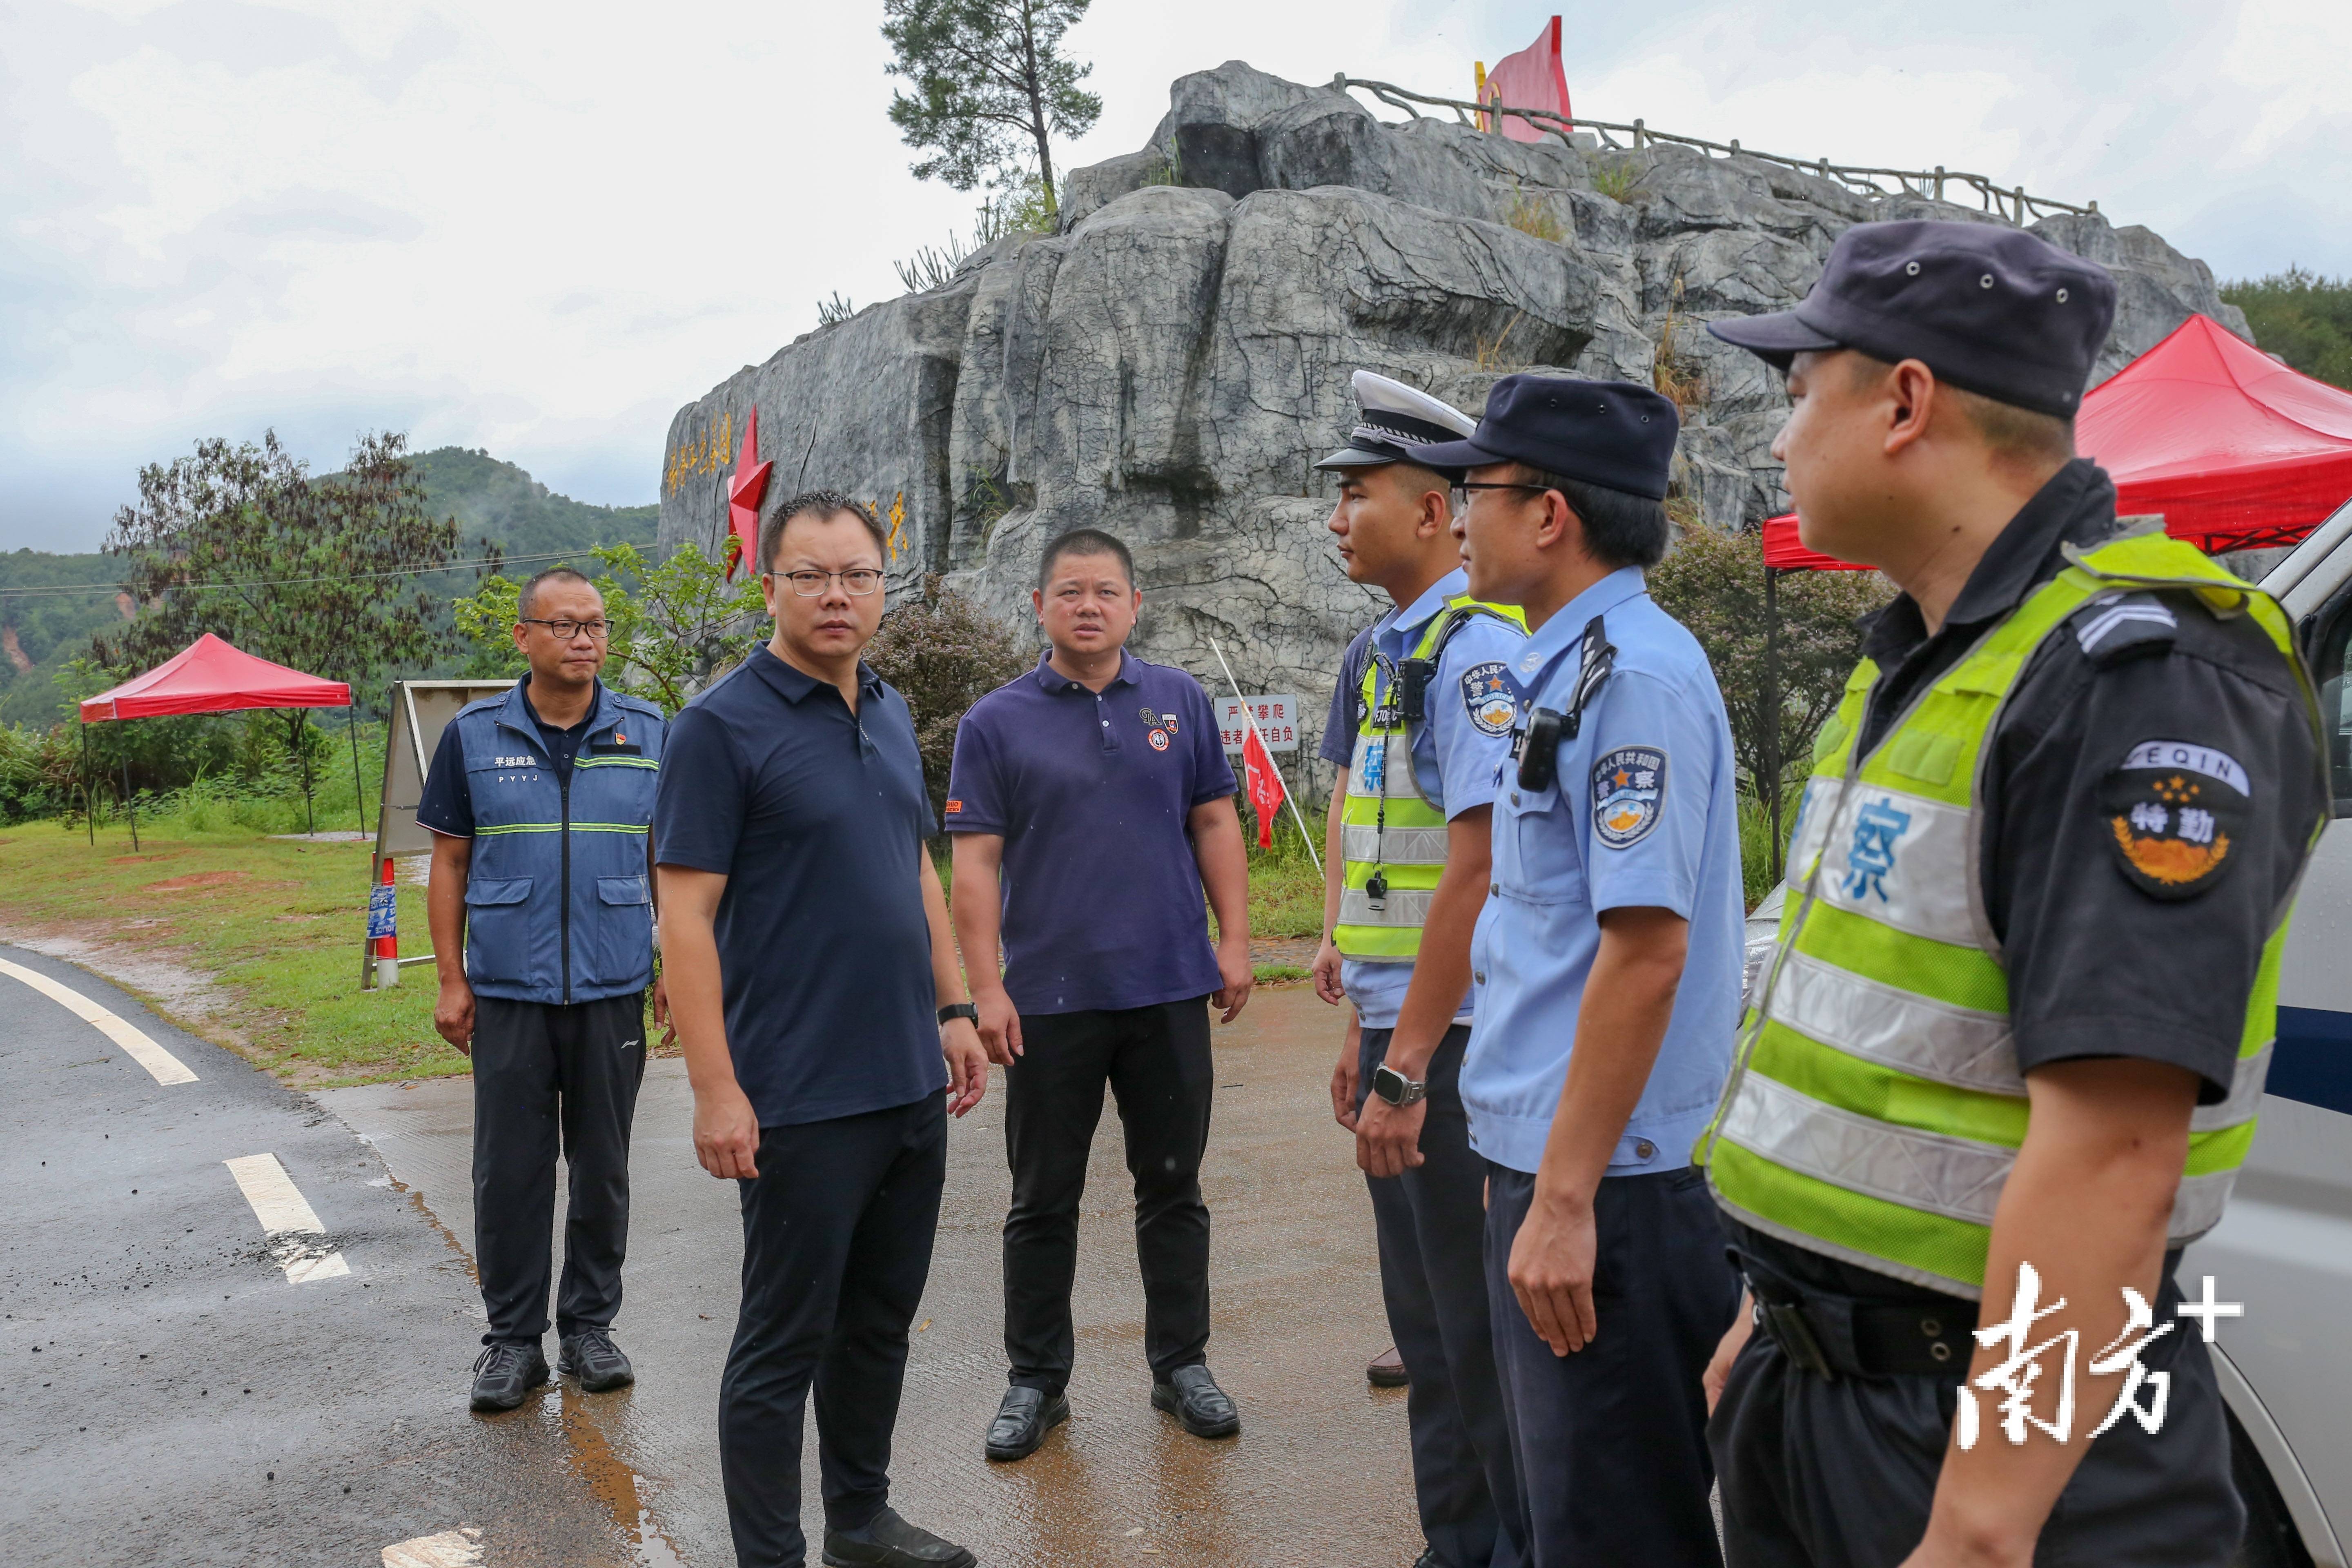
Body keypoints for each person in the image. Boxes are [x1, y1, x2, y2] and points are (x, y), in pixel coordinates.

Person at [1698, 221, 2326, 1567]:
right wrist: (1774, 1317)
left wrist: (1983, 1528)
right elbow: (1881, 1059)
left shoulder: (2136, 678)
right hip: (1834, 1390)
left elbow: (2113, 1151)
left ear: (1905, 402)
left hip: (1995, 1433)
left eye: (1800, 391)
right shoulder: (1919, 665)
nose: (1778, 438)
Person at [1428, 376, 1748, 1566]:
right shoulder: (1563, 670)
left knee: (1617, 1530)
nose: (1459, 517)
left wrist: (1560, 1198)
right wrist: (1517, 1164)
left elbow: (1645, 954)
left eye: (1476, 491)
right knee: (1579, 1516)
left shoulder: (1635, 680)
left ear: (1548, 513)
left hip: (1613, 1187)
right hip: (1564, 1159)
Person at [654, 490, 989, 1568]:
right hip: (797, 1091)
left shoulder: (888, 710)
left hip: (905, 1080)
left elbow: (916, 874)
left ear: (884, 587)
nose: (838, 595)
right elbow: (685, 920)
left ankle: (860, 1520)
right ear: (771, 586)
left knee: (881, 1320)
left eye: (858, 575)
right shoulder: (719, 727)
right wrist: (716, 1088)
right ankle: (771, 1555)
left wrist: (954, 1009)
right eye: (811, 574)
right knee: (780, 1343)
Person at [946, 527, 1255, 1463]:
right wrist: (986, 988)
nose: (1089, 606)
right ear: (1039, 607)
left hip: (1167, 986)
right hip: (1048, 1000)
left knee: (1174, 1186)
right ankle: (1036, 1382)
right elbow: (974, 863)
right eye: (1071, 591)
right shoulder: (994, 722)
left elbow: (1213, 819)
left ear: (1134, 605)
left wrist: (1235, 941)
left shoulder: (1180, 701)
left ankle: (1182, 1366)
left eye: (1107, 591)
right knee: (1043, 1196)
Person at [1310, 371, 1529, 1568]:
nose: (1339, 517)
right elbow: (1390, 866)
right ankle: (1457, 1547)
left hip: (1459, 1049)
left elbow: (1478, 868)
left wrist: (1406, 1068)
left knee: (1472, 1338)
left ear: (1440, 509)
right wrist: (1369, 1032)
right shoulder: (1401, 646)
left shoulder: (1475, 653)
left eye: (1360, 493)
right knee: (1433, 1331)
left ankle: (1491, 1548)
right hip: (1412, 1035)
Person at [420, 567, 669, 1414]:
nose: (585, 641)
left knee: (603, 1169)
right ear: (523, 637)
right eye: (564, 626)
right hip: (509, 992)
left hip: (613, 988)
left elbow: (664, 863)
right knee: (510, 1172)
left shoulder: (648, 731)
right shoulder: (474, 735)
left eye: (596, 625)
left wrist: (670, 968)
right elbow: (449, 861)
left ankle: (589, 1330)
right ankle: (513, 1344)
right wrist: (453, 979)